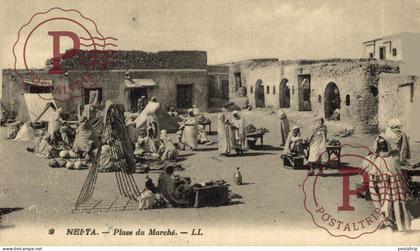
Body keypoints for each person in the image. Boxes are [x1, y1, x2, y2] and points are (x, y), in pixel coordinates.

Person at [361, 134, 411, 232]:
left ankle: (398, 224)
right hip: (382, 185)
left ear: (387, 144)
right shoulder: (377, 158)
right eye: (380, 145)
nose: (382, 146)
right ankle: (386, 221)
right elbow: (373, 171)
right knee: (385, 204)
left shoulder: (394, 155)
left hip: (395, 185)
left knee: (397, 204)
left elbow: (397, 169)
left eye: (384, 144)